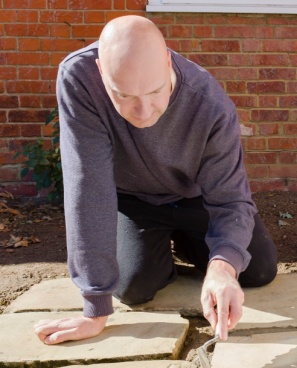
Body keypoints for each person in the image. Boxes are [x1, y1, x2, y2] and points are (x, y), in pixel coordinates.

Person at [33, 15, 278, 345]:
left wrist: (222, 269)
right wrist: (94, 308)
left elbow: (231, 199)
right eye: (124, 95)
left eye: (155, 90)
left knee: (257, 268)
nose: (144, 111)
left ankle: (193, 249)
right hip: (132, 200)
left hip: (195, 197)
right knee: (133, 286)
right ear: (102, 73)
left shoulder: (210, 105)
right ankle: (160, 254)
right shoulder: (80, 78)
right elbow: (88, 186)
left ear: (167, 62)